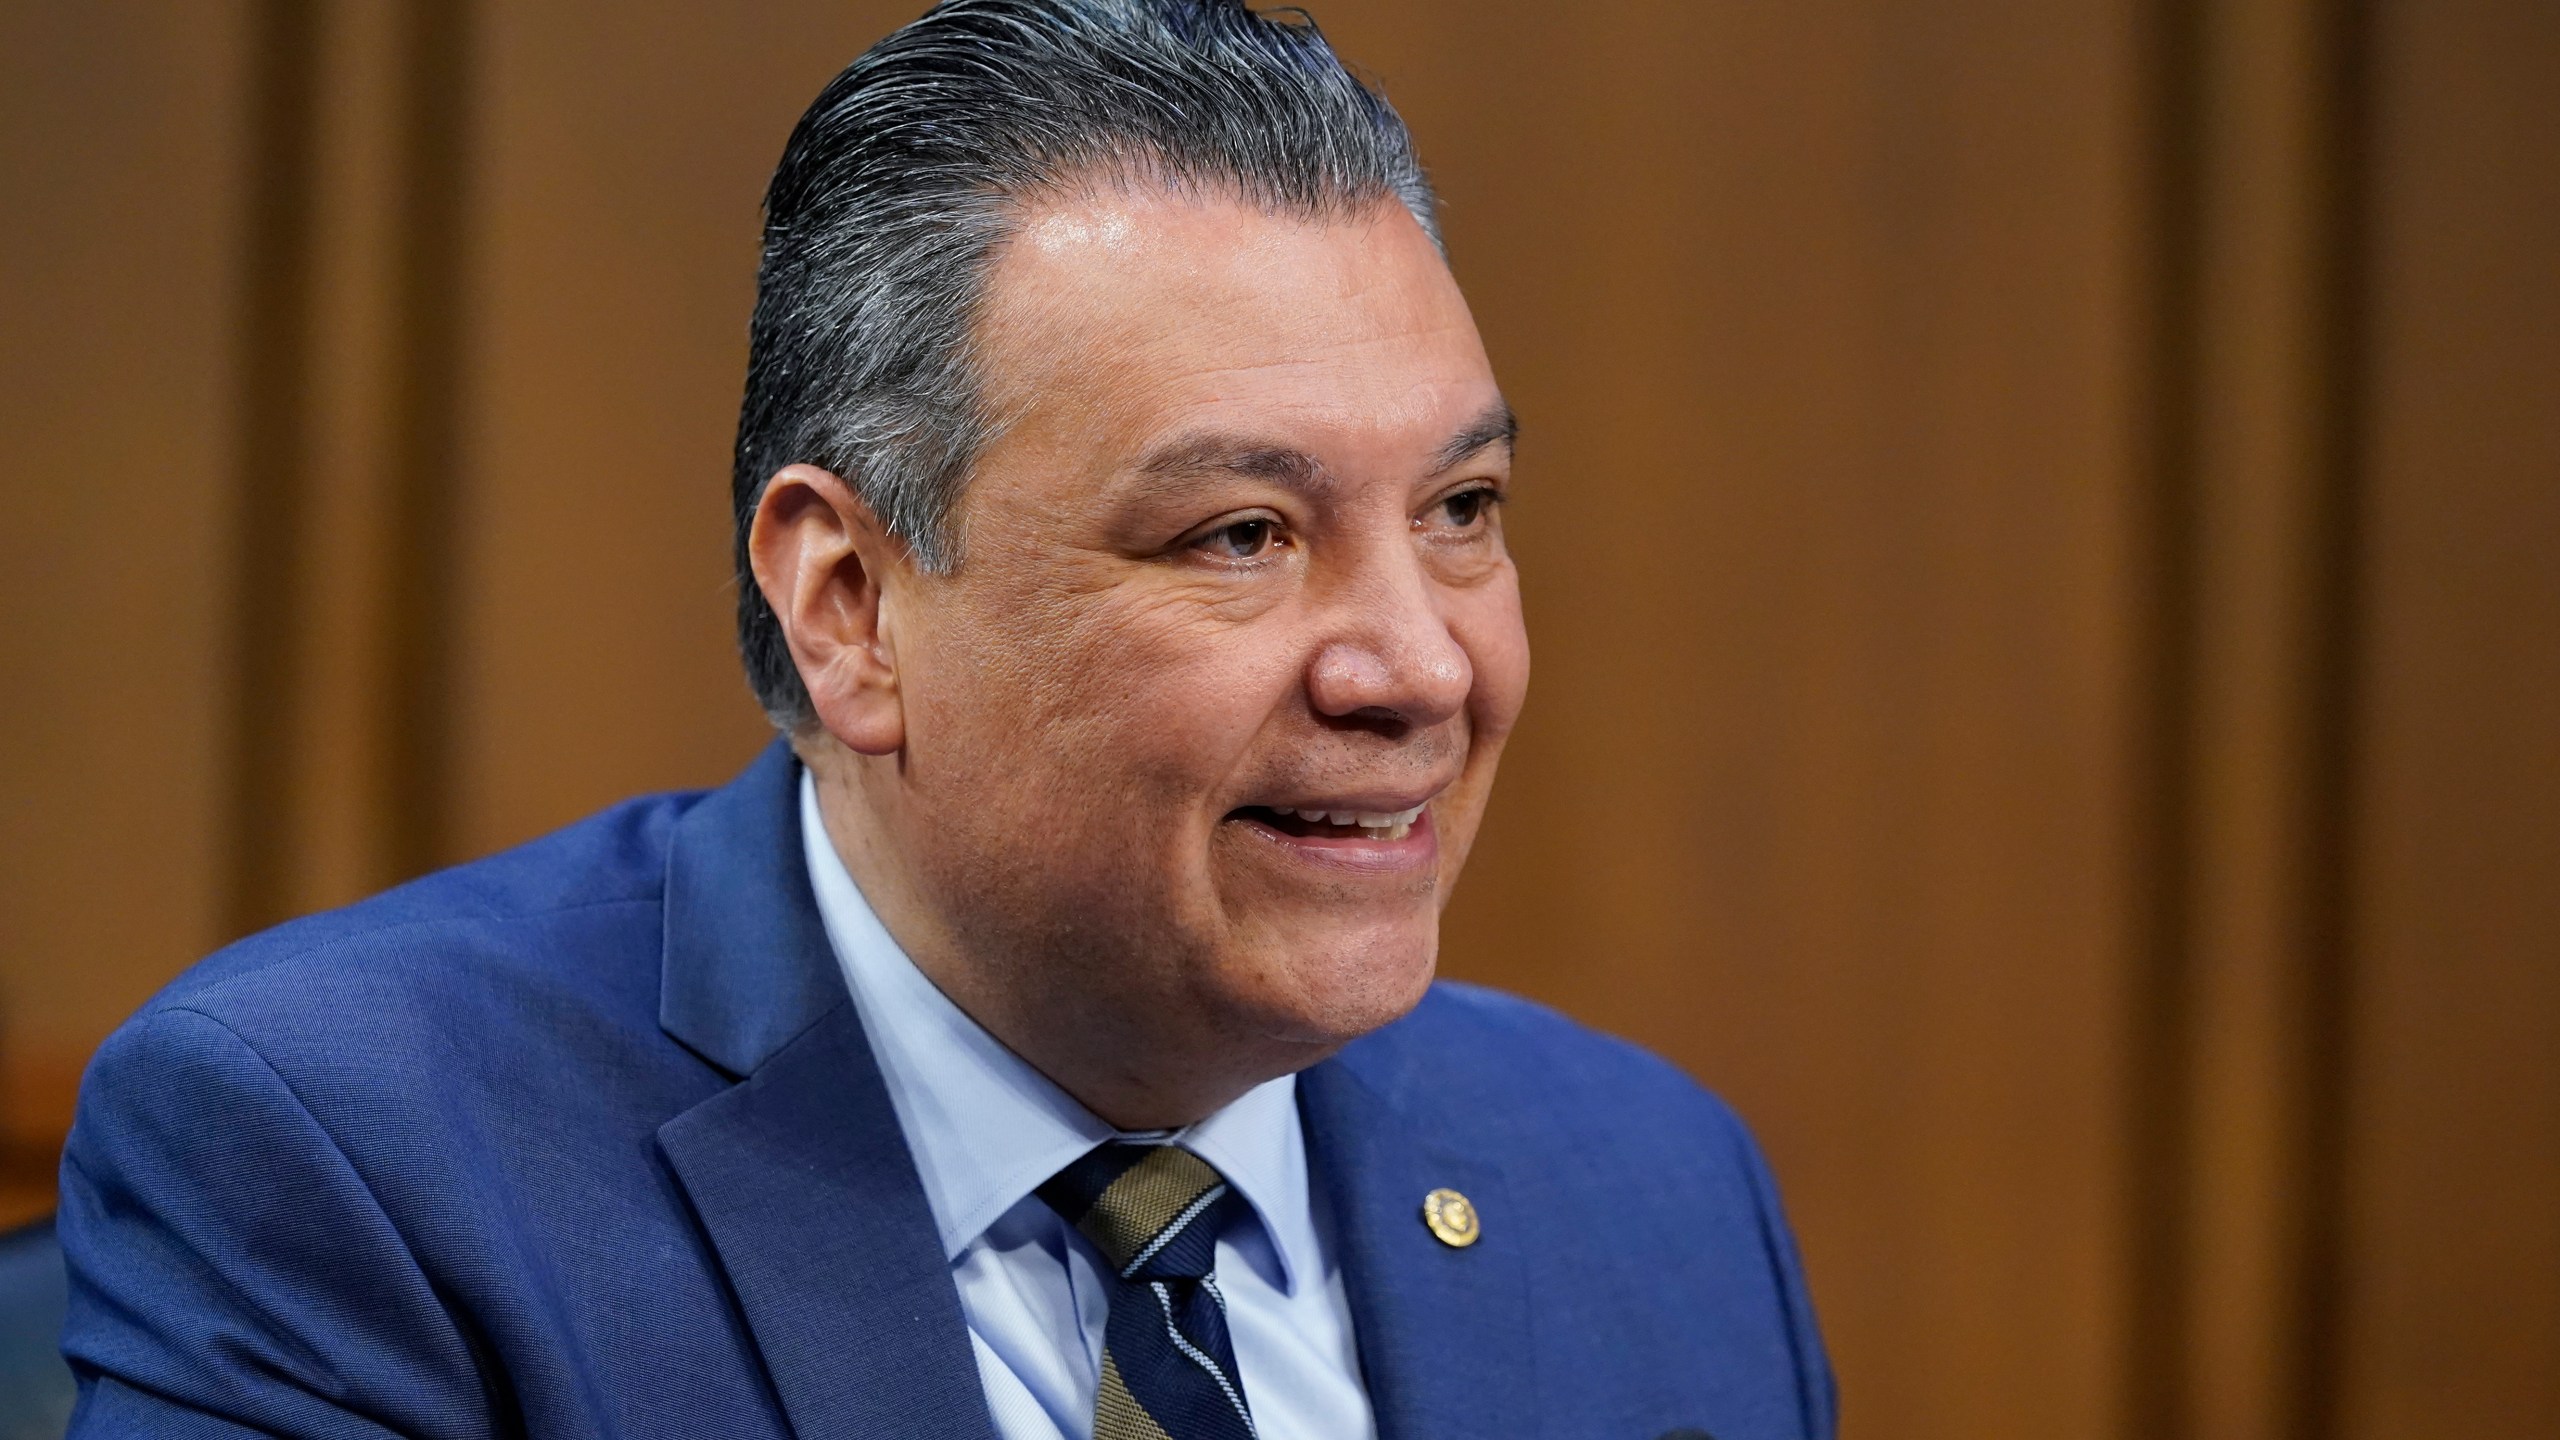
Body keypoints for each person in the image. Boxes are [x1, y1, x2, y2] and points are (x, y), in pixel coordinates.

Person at [57, 3, 1835, 1436]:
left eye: (1461, 513)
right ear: (850, 606)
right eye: (1242, 535)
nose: (1421, 670)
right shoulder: (355, 1162)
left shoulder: (1651, 1195)